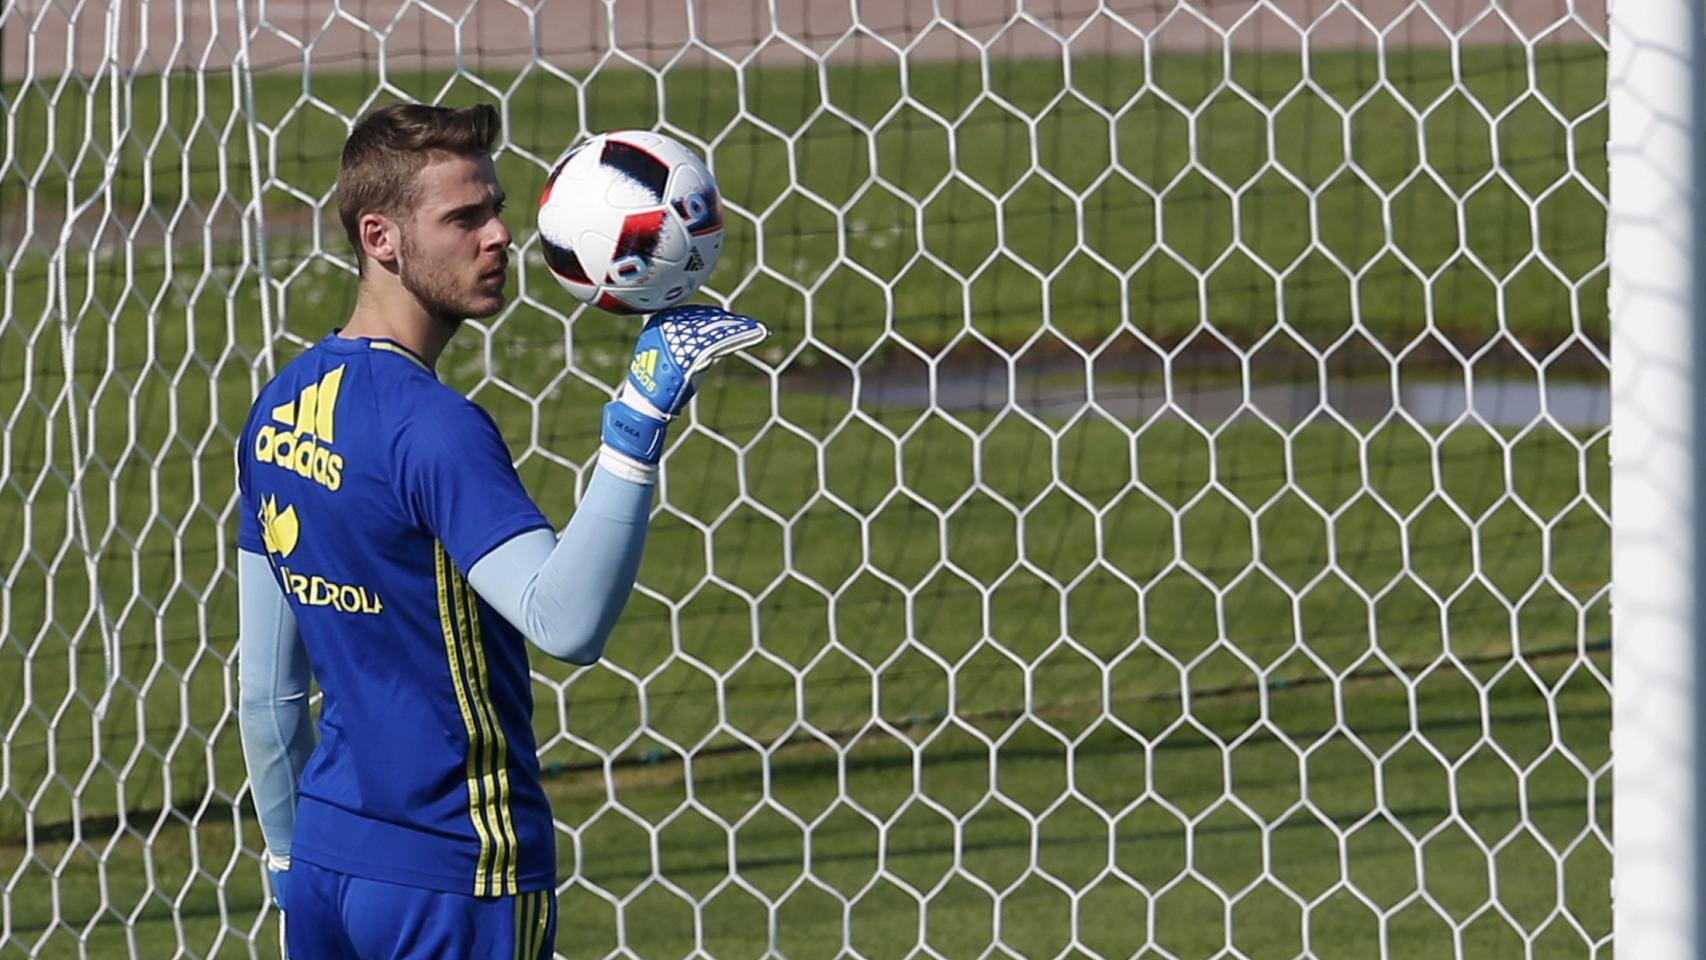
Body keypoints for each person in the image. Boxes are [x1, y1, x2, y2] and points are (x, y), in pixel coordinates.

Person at [234, 102, 766, 958]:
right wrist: (637, 424)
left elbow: (266, 699)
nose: (501, 236)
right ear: (382, 237)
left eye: (498, 207)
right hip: (455, 870)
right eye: (464, 218)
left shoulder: (276, 408)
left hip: (326, 870)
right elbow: (567, 622)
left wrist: (292, 860)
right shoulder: (434, 429)